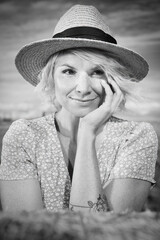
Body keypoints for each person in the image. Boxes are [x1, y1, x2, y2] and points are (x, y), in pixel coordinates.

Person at [0, 5, 158, 213]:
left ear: (113, 80)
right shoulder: (24, 135)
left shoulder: (136, 137)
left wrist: (87, 133)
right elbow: (27, 229)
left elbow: (104, 231)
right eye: (68, 71)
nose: (83, 89)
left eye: (97, 72)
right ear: (51, 78)